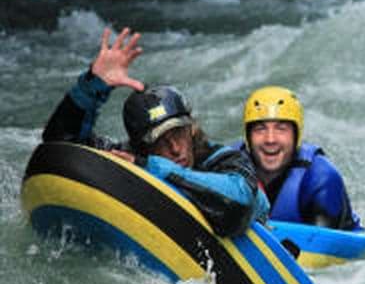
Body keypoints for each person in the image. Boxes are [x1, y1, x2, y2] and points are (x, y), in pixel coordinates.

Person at [42, 27, 267, 238]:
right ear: (141, 147)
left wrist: (151, 168)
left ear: (191, 129)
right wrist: (92, 87)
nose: (175, 149)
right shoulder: (128, 158)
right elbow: (61, 147)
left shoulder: (225, 160)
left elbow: (238, 205)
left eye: (178, 133)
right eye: (160, 140)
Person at [237, 86, 361, 230]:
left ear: (296, 135)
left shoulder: (321, 177)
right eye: (260, 129)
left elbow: (320, 240)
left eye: (281, 129)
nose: (270, 139)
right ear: (248, 137)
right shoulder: (228, 167)